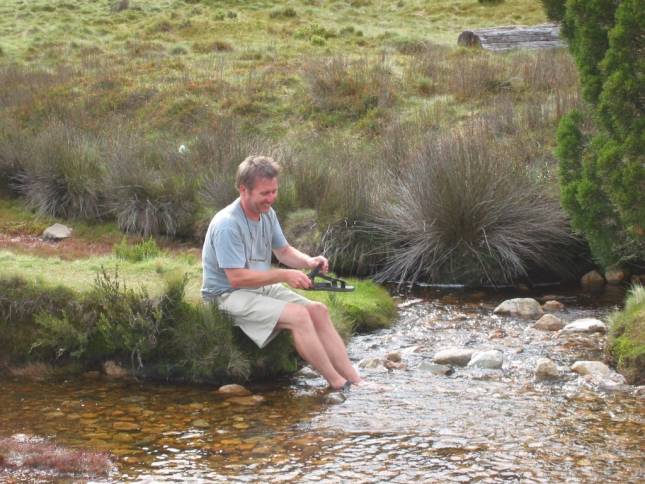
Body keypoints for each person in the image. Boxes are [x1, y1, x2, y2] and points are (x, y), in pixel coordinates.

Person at [201, 155, 362, 390]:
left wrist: (309, 260)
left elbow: (284, 251)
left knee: (318, 311)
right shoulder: (227, 224)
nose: (271, 199)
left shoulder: (267, 213)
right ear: (243, 189)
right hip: (224, 295)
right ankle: (338, 383)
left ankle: (356, 380)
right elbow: (236, 278)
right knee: (299, 317)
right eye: (264, 193)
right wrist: (284, 275)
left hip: (256, 288)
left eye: (274, 191)